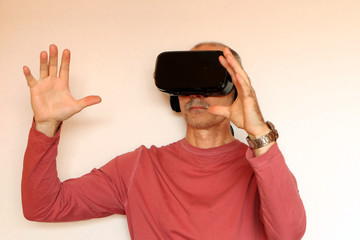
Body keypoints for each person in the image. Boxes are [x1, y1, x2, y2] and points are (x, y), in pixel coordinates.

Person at [22, 42, 306, 239]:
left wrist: (259, 133)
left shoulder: (262, 168)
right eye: (188, 77)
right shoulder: (139, 168)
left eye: (210, 78)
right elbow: (43, 206)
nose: (197, 92)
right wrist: (45, 126)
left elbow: (288, 234)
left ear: (237, 90)